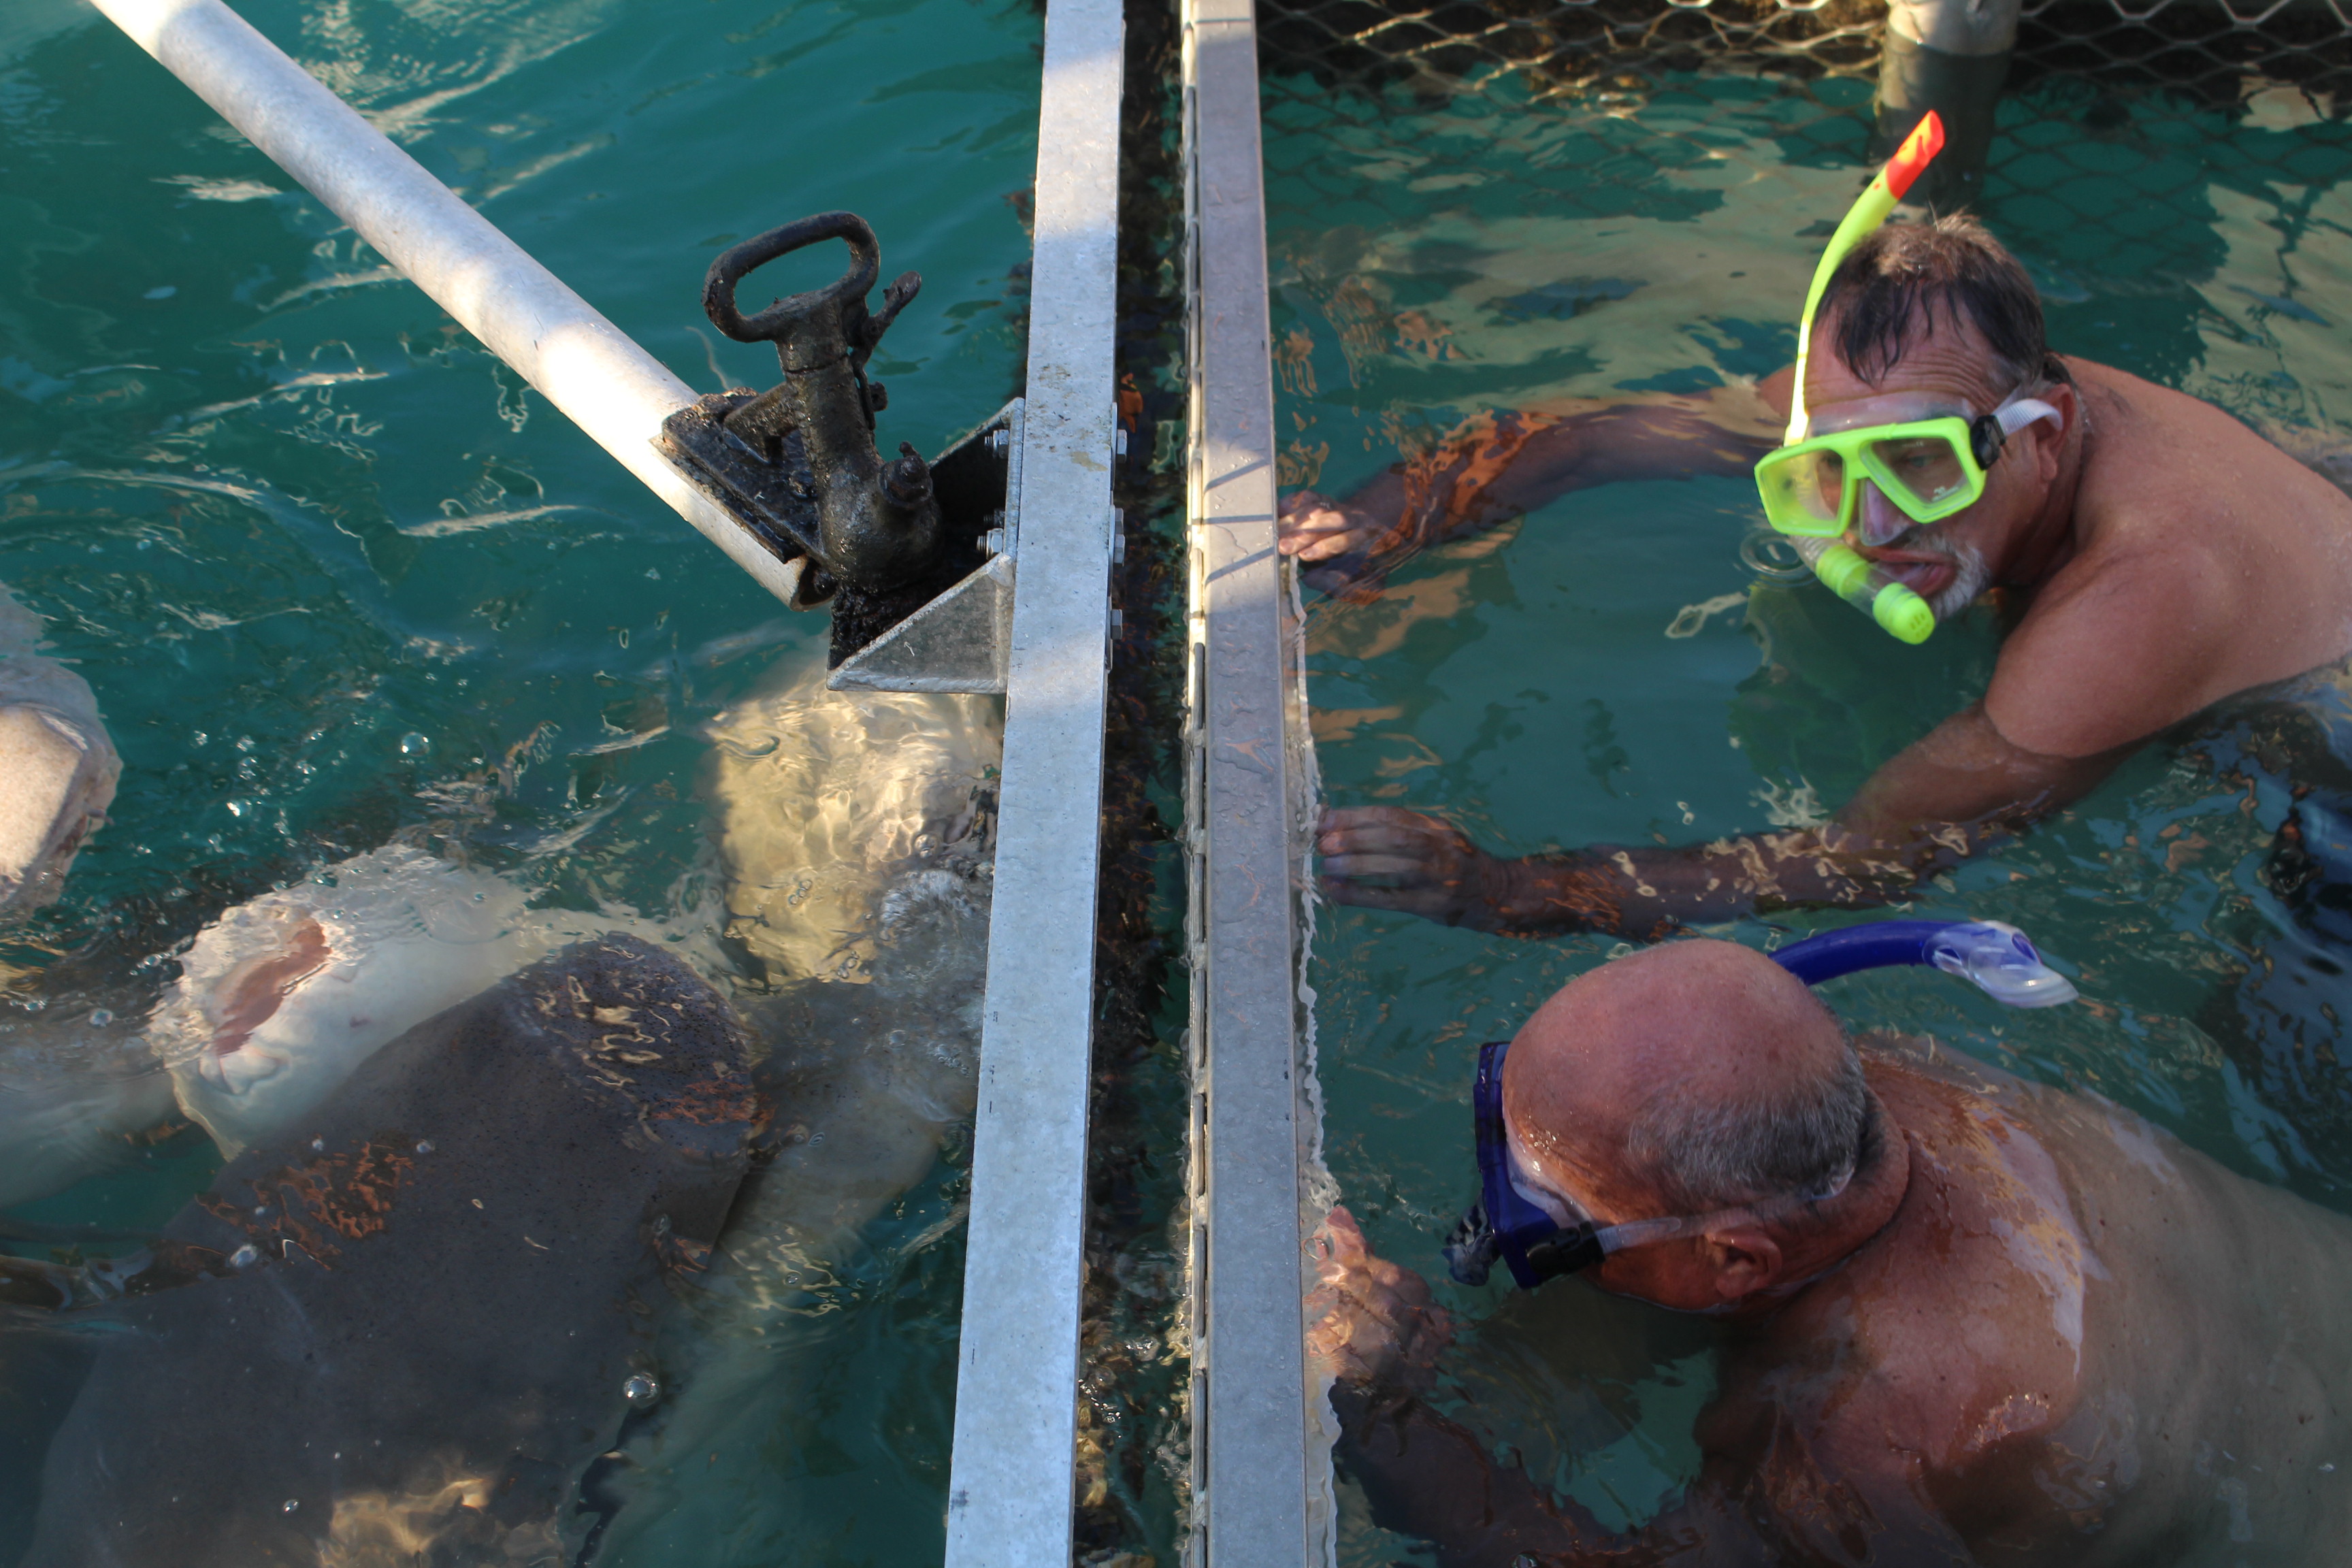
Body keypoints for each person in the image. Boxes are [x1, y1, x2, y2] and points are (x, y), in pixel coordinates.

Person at [1292, 136, 2352, 943]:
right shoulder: (1896, 385)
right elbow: (1596, 441)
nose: (1872, 524)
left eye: (1923, 462)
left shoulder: (2133, 600)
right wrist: (1396, 511)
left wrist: (1507, 888)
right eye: (1828, 469)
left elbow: (1866, 858)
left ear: (2047, 432)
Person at [1309, 938, 2352, 1563]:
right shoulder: (1876, 1088)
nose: (1495, 1234)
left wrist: (1381, 1408)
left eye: (1548, 1231)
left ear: (1739, 1262)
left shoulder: (1883, 1438)